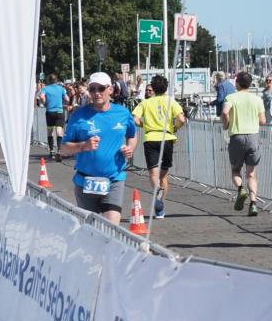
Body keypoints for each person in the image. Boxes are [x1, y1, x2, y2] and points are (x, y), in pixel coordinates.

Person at [60, 72, 137, 225]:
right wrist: (83, 146)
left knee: (111, 228)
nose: (96, 93)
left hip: (114, 179)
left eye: (101, 88)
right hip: (85, 181)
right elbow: (63, 149)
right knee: (91, 231)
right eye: (92, 89)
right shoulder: (79, 116)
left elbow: (132, 135)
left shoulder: (122, 113)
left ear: (110, 90)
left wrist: (130, 148)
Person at [131, 74, 186, 219]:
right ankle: (160, 207)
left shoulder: (145, 103)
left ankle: (158, 191)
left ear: (153, 89)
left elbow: (134, 119)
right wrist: (175, 127)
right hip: (166, 138)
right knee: (164, 175)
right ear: (166, 88)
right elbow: (182, 119)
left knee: (153, 173)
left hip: (151, 138)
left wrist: (144, 125)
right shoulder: (170, 101)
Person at [222, 71, 266, 216]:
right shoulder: (257, 99)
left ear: (237, 83)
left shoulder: (231, 97)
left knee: (235, 170)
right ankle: (253, 204)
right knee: (251, 173)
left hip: (237, 136)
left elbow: (224, 112)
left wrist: (226, 124)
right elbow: (263, 121)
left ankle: (241, 189)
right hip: (253, 136)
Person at [38, 74, 69, 161]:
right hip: (59, 112)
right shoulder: (61, 88)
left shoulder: (45, 88)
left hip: (50, 112)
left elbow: (41, 96)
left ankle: (51, 151)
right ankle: (59, 150)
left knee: (50, 131)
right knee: (59, 132)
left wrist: (44, 102)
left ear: (49, 80)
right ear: (56, 80)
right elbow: (67, 99)